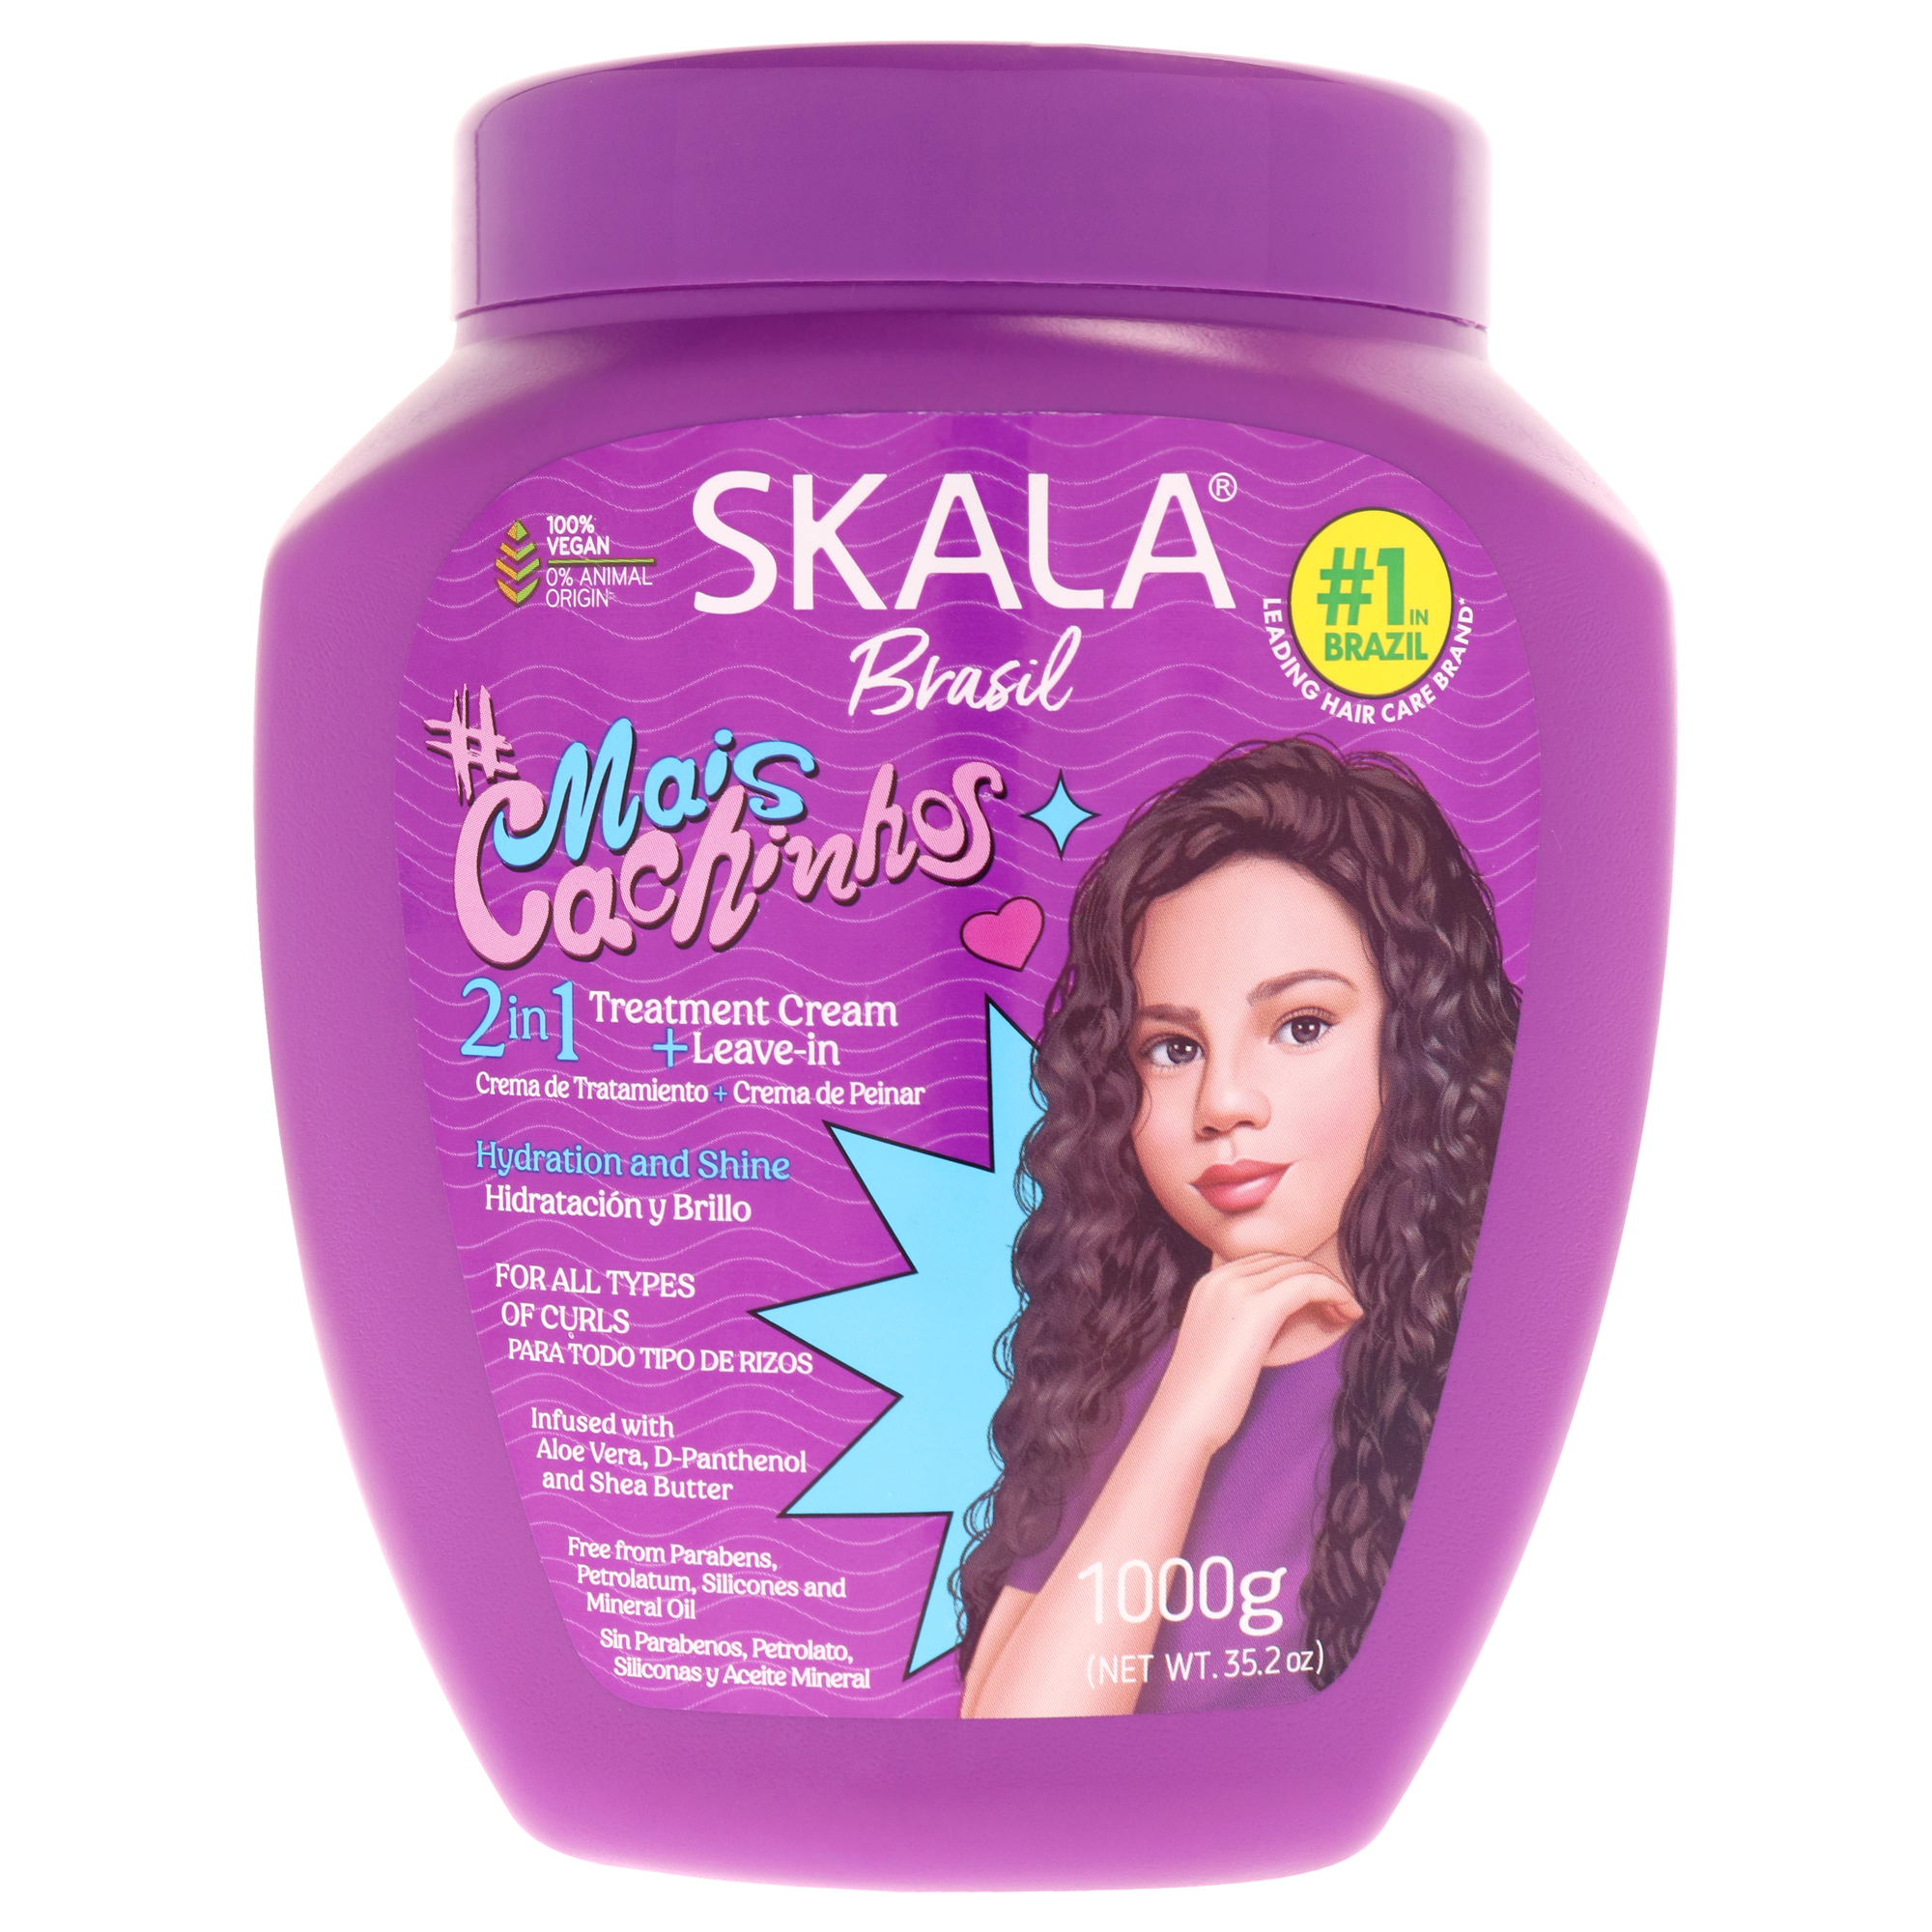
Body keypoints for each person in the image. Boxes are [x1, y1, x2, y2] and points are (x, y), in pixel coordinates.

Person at [958, 737, 1520, 1716]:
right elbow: (1010, 1740)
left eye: (1301, 1026)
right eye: (1172, 1048)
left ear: (1418, 1041)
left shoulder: (1494, 1366)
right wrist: (1183, 1419)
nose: (1221, 1102)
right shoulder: (1130, 1377)